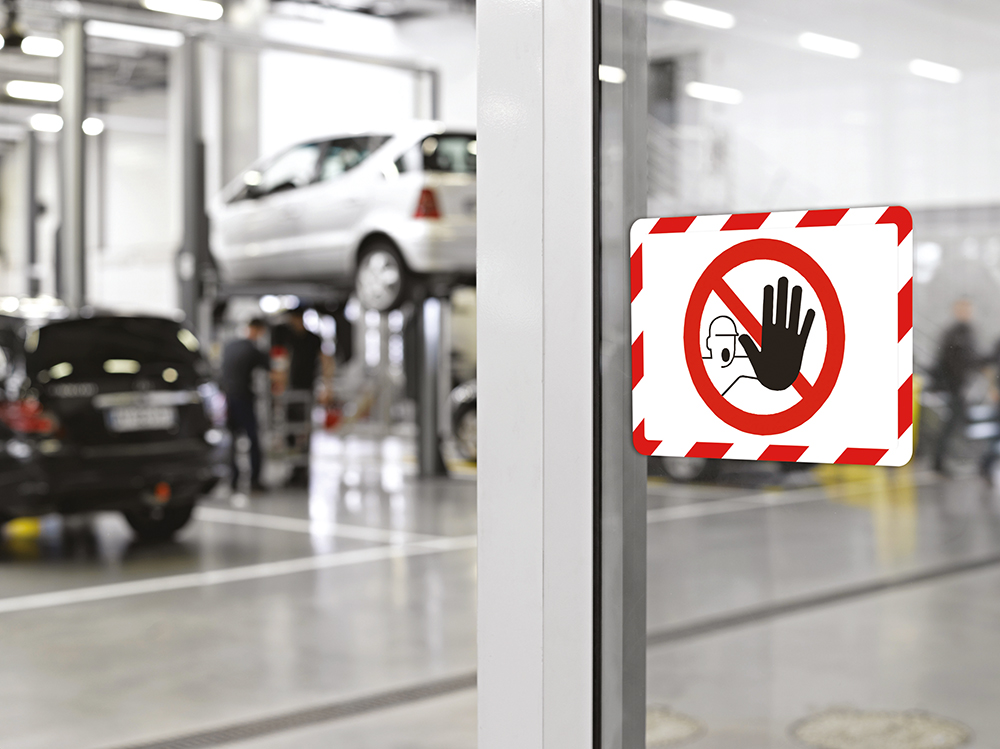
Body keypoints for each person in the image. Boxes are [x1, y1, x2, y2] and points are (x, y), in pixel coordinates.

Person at [272, 308, 334, 486]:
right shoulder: (286, 336)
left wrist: (326, 387)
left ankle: (303, 468)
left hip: (307, 389)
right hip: (289, 390)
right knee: (289, 428)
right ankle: (293, 467)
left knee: (304, 428)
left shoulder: (313, 338)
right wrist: (278, 384)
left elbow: (325, 361)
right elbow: (280, 360)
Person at [221, 318, 271, 492]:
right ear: (258, 330)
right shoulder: (253, 349)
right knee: (253, 439)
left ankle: (233, 480)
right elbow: (272, 370)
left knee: (232, 440)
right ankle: (254, 481)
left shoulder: (229, 346)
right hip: (243, 398)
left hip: (227, 399)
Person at [931, 298, 978, 476]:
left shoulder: (968, 332)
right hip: (953, 387)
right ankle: (939, 461)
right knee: (950, 425)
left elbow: (972, 359)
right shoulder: (952, 333)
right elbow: (945, 361)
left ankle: (951, 459)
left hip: (962, 386)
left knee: (958, 423)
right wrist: (947, 385)